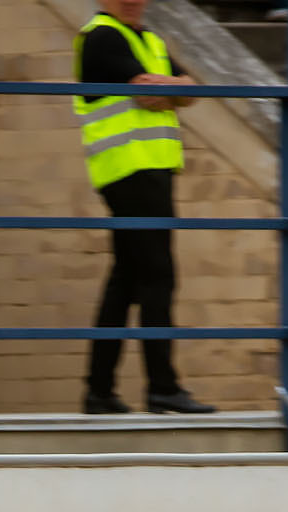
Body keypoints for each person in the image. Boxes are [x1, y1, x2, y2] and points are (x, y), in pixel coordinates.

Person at [77, 0, 214, 414]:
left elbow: (191, 89)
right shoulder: (101, 36)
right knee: (158, 276)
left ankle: (99, 391)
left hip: (151, 171)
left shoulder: (149, 39)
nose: (134, 1)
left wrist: (171, 88)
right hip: (129, 171)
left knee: (127, 279)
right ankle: (162, 386)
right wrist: (168, 88)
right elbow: (155, 90)